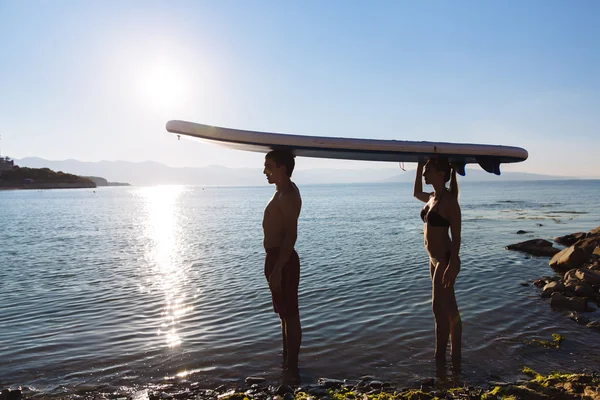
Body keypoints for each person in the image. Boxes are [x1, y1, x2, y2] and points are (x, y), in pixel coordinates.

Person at [413, 158, 462, 365]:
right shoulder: (432, 197)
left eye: (427, 171)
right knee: (447, 308)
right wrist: (418, 163)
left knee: (440, 308)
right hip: (433, 259)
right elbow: (416, 192)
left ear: (440, 174)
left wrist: (452, 265)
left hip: (444, 260)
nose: (424, 175)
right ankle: (450, 356)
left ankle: (444, 357)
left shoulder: (449, 202)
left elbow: (457, 237)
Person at [262, 149, 302, 374]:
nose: (264, 171)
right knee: (283, 313)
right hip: (276, 259)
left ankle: (292, 366)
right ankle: (287, 361)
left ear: (282, 168)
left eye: (269, 166)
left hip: (283, 261)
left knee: (291, 314)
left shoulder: (287, 195)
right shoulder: (280, 192)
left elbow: (290, 236)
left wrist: (277, 269)